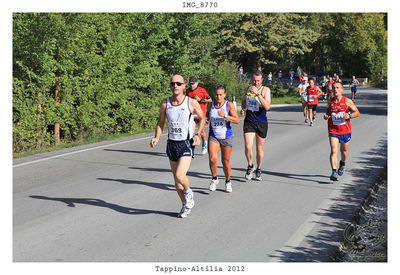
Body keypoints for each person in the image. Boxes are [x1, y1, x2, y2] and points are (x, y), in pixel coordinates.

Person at [150, 75, 206, 218]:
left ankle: (189, 192)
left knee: (181, 176)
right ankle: (184, 205)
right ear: (170, 86)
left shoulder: (191, 103)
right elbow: (160, 122)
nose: (175, 86)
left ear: (183, 86)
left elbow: (203, 118)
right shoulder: (165, 103)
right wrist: (157, 137)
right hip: (172, 144)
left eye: (178, 83)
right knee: (176, 181)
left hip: (186, 143)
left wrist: (198, 134)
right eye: (173, 83)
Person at [324, 81, 360, 181]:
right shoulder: (330, 100)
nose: (335, 89)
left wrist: (349, 115)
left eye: (337, 87)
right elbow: (328, 110)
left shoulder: (347, 101)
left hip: (345, 130)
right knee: (334, 150)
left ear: (342, 90)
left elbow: (357, 112)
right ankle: (334, 172)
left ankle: (342, 163)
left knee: (343, 151)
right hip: (333, 129)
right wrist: (327, 115)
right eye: (334, 88)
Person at [206, 84, 240, 193]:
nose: (218, 97)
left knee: (225, 161)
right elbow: (207, 116)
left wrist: (225, 116)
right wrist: (206, 119)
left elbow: (237, 120)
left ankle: (228, 181)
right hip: (213, 135)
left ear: (224, 94)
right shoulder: (210, 104)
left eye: (220, 94)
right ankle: (214, 179)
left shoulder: (228, 105)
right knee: (212, 159)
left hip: (226, 136)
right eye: (216, 94)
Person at [241, 71, 271, 181]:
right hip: (249, 121)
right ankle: (250, 165)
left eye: (258, 81)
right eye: (254, 80)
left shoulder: (265, 90)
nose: (256, 83)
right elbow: (243, 100)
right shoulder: (247, 89)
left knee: (259, 148)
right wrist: (243, 108)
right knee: (248, 146)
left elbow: (267, 106)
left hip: (261, 122)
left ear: (262, 80)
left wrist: (258, 94)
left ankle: (259, 169)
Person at [186, 76, 212, 155]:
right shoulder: (187, 91)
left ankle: (204, 144)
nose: (192, 85)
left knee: (201, 132)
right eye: (190, 84)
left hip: (201, 114)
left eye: (193, 84)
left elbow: (210, 100)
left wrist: (201, 100)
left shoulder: (202, 90)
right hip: (192, 114)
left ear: (197, 83)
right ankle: (190, 148)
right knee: (191, 131)